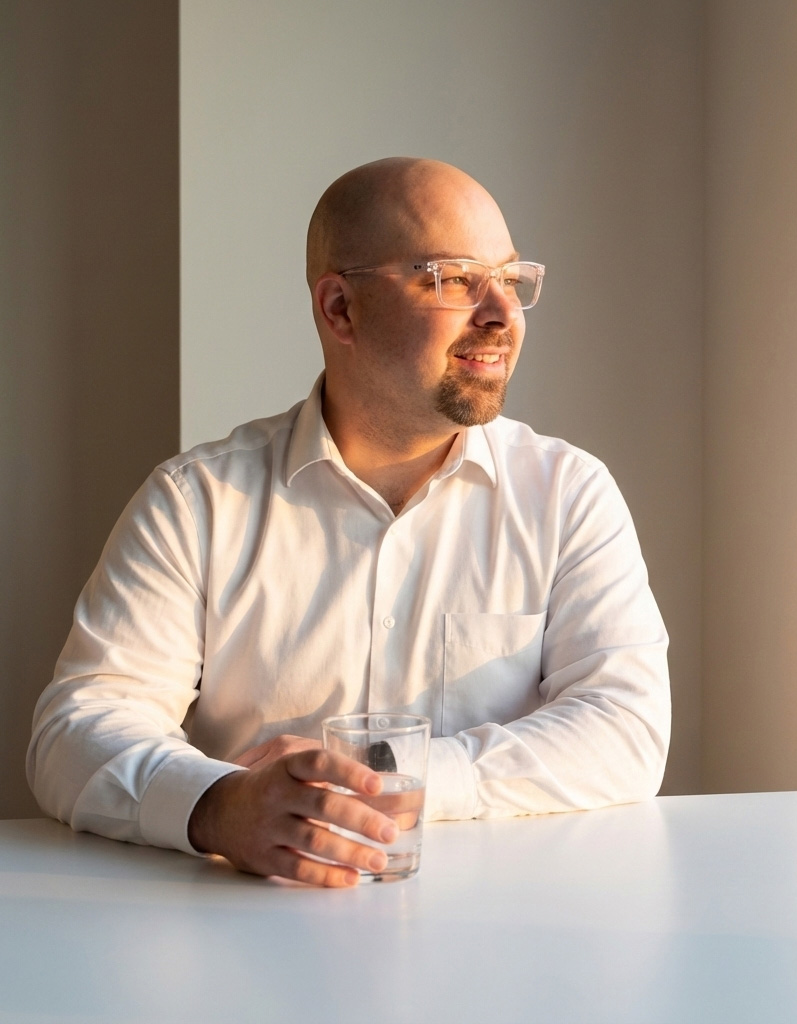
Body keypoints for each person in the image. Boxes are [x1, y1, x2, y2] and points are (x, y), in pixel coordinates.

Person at [26, 157, 670, 888]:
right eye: (455, 280)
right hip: (247, 943)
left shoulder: (568, 495)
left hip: (505, 941)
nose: (502, 314)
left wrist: (387, 777)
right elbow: (75, 731)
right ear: (339, 309)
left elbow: (625, 730)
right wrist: (218, 805)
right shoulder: (197, 502)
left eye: (512, 280)